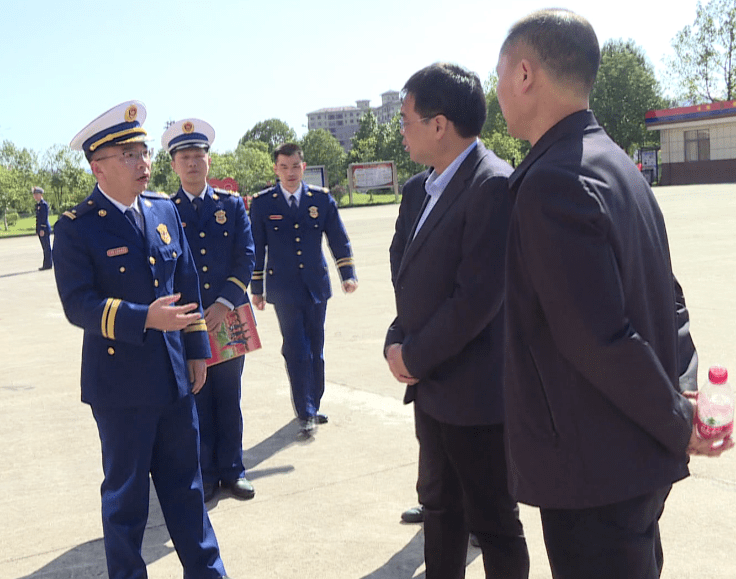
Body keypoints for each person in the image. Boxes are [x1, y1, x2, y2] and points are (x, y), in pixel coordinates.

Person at [495, 10, 733, 578]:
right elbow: (669, 303)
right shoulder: (618, 167)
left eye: (500, 73)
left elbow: (599, 339)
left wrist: (681, 419)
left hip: (593, 470)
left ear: (525, 74)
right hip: (633, 462)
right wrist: (685, 396)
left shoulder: (553, 180)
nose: (498, 88)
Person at [52, 100, 229, 579]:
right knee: (127, 501)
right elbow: (78, 304)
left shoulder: (163, 209)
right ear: (98, 167)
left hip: (174, 379)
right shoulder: (75, 227)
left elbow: (187, 285)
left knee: (187, 490)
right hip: (120, 387)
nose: (144, 163)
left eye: (144, 152)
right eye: (129, 154)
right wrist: (142, 319)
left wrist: (196, 352)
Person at [383, 63, 529, 578]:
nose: (400, 131)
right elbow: (409, 277)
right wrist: (396, 340)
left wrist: (413, 357)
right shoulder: (418, 190)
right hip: (432, 388)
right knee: (440, 513)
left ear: (439, 124)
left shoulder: (493, 185)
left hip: (477, 395)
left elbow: (477, 300)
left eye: (406, 120)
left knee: (493, 523)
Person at [162, 118, 256, 501]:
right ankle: (205, 473)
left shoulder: (231, 206)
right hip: (187, 322)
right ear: (173, 165)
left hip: (228, 314)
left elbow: (246, 256)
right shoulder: (163, 210)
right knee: (196, 398)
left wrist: (221, 303)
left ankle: (233, 469)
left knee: (228, 397)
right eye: (184, 157)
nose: (192, 163)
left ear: (208, 162)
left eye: (198, 156)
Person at [249, 142, 357, 436]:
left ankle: (314, 402)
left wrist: (347, 273)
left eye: (295, 166)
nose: (290, 172)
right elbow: (256, 248)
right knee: (296, 348)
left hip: (316, 285)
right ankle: (305, 411)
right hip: (283, 289)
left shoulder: (321, 200)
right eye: (283, 167)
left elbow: (338, 238)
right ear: (275, 169)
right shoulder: (263, 203)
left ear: (304, 167)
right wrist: (255, 288)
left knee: (316, 348)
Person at [32, 186, 53, 270]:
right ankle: (47, 264)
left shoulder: (43, 204)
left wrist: (42, 229)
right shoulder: (38, 205)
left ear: (40, 194)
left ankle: (48, 264)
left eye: (36, 194)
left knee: (47, 247)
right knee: (44, 247)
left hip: (44, 229)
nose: (35, 196)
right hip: (40, 229)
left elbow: (44, 217)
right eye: (34, 195)